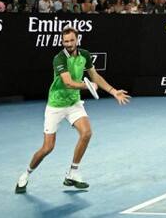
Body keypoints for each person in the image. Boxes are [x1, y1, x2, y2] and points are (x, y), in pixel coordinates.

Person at [16, 27, 130, 194]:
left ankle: (73, 173)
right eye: (65, 41)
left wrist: (113, 91)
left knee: (86, 133)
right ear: (63, 42)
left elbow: (95, 76)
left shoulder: (84, 54)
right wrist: (88, 86)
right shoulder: (59, 58)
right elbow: (68, 82)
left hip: (74, 103)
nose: (68, 44)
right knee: (48, 147)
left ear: (77, 39)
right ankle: (25, 174)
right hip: (56, 105)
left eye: (71, 40)